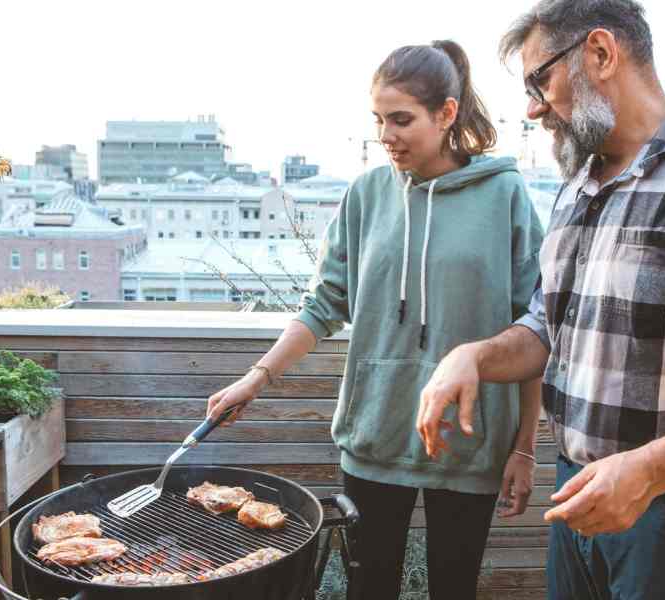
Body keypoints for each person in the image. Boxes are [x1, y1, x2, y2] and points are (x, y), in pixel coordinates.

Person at [416, 1, 665, 599]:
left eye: (539, 81)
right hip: (573, 496)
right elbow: (545, 327)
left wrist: (651, 471)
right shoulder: (576, 186)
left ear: (601, 54)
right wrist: (473, 356)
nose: (532, 108)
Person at [206, 40, 544, 600]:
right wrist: (256, 378)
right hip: (374, 434)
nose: (385, 135)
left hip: (470, 440)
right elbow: (324, 304)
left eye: (401, 119)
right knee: (368, 590)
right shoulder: (365, 194)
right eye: (378, 119)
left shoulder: (504, 193)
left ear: (447, 114)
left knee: (453, 590)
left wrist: (525, 447)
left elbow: (533, 326)